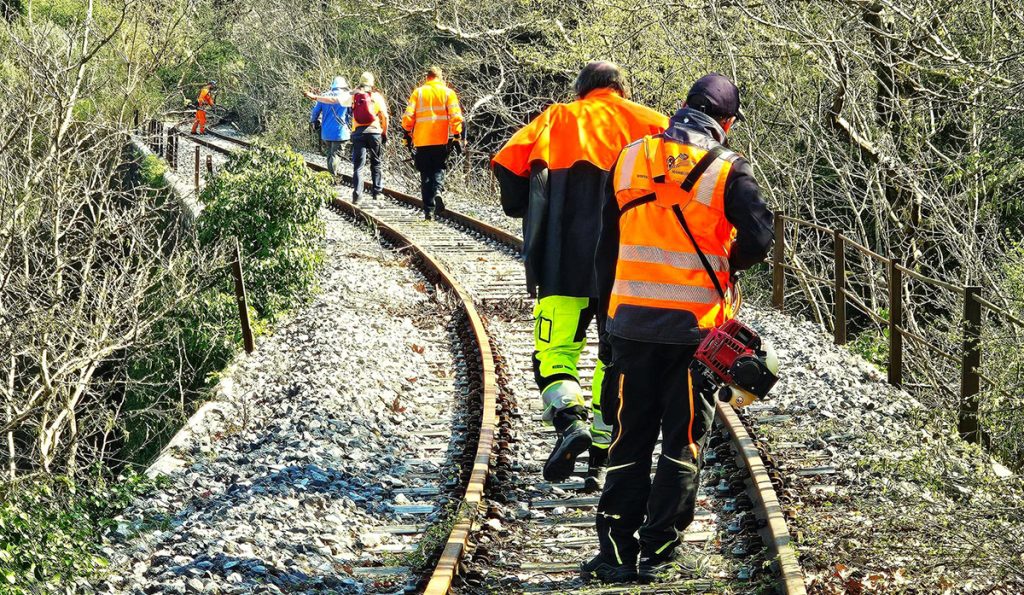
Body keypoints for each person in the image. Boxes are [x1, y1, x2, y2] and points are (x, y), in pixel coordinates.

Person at [583, 73, 774, 584]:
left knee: (628, 438)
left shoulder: (629, 158)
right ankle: (660, 552)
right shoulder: (728, 170)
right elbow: (760, 237)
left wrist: (607, 325)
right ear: (726, 123)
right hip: (696, 334)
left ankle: (615, 557)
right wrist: (725, 265)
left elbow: (605, 250)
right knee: (683, 441)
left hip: (630, 326)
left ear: (681, 108)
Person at [491, 61, 668, 490]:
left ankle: (571, 422)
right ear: (621, 90)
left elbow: (506, 166)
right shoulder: (654, 125)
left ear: (581, 90)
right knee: (614, 360)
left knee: (553, 354)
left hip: (561, 264)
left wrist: (526, 205)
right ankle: (603, 459)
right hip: (629, 268)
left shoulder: (556, 119)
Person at [401, 66, 463, 220]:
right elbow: (456, 116)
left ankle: (428, 210)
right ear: (441, 77)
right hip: (440, 140)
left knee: (425, 175)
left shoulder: (418, 92)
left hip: (421, 140)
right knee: (438, 169)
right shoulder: (448, 93)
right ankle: (438, 192)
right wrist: (457, 135)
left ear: (427, 77)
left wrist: (407, 133)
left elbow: (408, 116)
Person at [349, 72, 389, 203]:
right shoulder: (376, 97)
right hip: (374, 132)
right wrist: (384, 132)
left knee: (358, 166)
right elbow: (385, 116)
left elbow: (343, 103)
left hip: (358, 133)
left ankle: (357, 195)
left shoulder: (354, 97)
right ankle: (377, 192)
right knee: (376, 163)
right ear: (372, 84)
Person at [309, 76, 352, 176]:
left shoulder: (323, 97)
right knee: (336, 154)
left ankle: (330, 176)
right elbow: (351, 113)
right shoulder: (346, 97)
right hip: (340, 131)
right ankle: (332, 177)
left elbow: (315, 112)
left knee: (330, 153)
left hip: (326, 132)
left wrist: (313, 121)